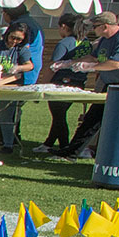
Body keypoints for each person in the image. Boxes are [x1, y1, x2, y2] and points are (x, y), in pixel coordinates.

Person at [64, 11, 119, 159]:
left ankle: (116, 156)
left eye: (95, 26)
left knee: (118, 122)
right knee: (91, 119)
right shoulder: (105, 39)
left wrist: (90, 67)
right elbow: (93, 57)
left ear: (105, 26)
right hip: (110, 83)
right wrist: (70, 63)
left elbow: (116, 63)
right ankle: (71, 152)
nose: (93, 30)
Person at [0, 6, 43, 151]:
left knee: (7, 114)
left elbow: (29, 65)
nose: (15, 41)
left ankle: (8, 143)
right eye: (13, 37)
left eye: (19, 39)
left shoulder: (22, 48)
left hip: (10, 84)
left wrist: (18, 68)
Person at [35, 13, 87, 155]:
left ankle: (65, 147)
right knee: (60, 114)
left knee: (58, 116)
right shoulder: (85, 42)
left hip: (60, 83)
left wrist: (43, 84)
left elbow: (53, 66)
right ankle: (48, 144)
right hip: (78, 83)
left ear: (63, 26)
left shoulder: (64, 43)